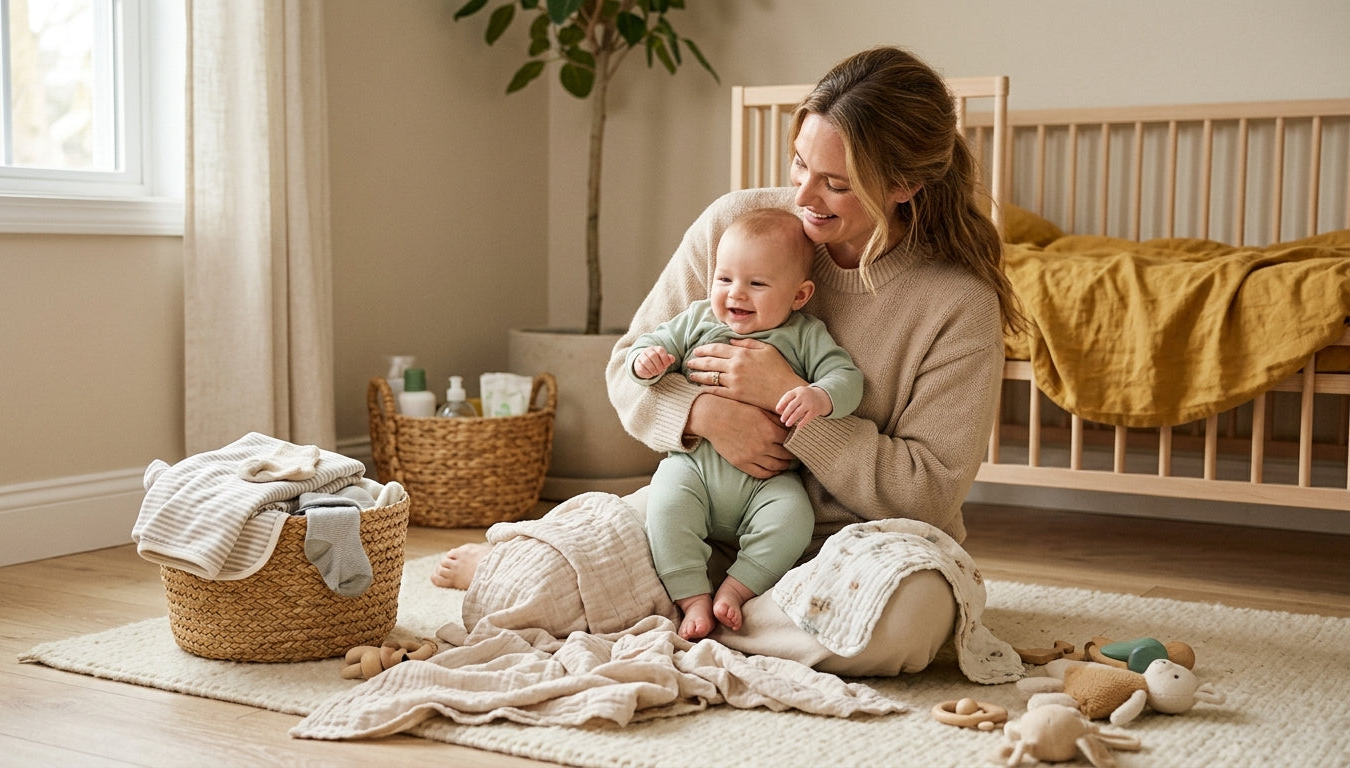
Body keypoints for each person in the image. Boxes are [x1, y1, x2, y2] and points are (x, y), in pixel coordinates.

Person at [435, 45, 1026, 679]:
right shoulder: (736, 228)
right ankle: (713, 612)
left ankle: (677, 618)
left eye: (836, 182)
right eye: (800, 164)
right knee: (532, 581)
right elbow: (627, 370)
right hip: (705, 520)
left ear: (904, 185)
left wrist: (791, 406)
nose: (805, 195)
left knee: (902, 620)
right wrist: (707, 413)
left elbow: (928, 494)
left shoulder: (956, 300)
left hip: (853, 548)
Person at [628, 207, 863, 640]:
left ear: (799, 295)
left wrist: (819, 395)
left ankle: (736, 591)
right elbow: (646, 345)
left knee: (794, 517)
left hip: (768, 481)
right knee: (665, 503)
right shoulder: (698, 320)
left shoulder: (805, 335)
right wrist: (647, 362)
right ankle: (691, 595)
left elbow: (847, 380)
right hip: (695, 467)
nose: (736, 294)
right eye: (724, 279)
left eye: (756, 284)